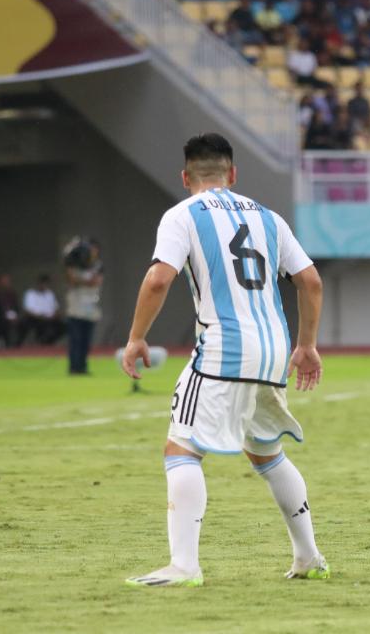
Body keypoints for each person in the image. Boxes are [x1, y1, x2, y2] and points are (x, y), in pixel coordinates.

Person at [122, 133, 327, 587]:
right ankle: (308, 556)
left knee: (181, 448)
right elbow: (310, 281)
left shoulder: (182, 215)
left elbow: (158, 280)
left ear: (185, 177)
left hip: (224, 349)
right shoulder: (268, 217)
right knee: (266, 452)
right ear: (233, 175)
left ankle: (184, 566)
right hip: (274, 347)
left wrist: (137, 337)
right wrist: (307, 345)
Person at [64, 240, 103, 375]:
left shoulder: (97, 266)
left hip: (90, 308)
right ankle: (74, 367)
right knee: (75, 339)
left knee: (86, 340)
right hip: (75, 308)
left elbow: (95, 281)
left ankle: (83, 366)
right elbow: (71, 280)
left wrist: (83, 281)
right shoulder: (73, 267)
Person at [21, 274, 64, 345]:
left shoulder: (50, 294)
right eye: (43, 283)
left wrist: (55, 315)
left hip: (49, 319)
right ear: (39, 283)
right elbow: (27, 311)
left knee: (63, 326)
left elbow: (56, 309)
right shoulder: (30, 293)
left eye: (46, 284)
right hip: (35, 318)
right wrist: (40, 317)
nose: (44, 286)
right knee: (29, 324)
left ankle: (47, 342)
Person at [0, 273, 20, 349]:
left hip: (11, 317)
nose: (6, 284)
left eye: (7, 282)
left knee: (21, 323)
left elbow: (16, 308)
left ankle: (14, 346)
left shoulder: (12, 294)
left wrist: (13, 316)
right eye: (4, 282)